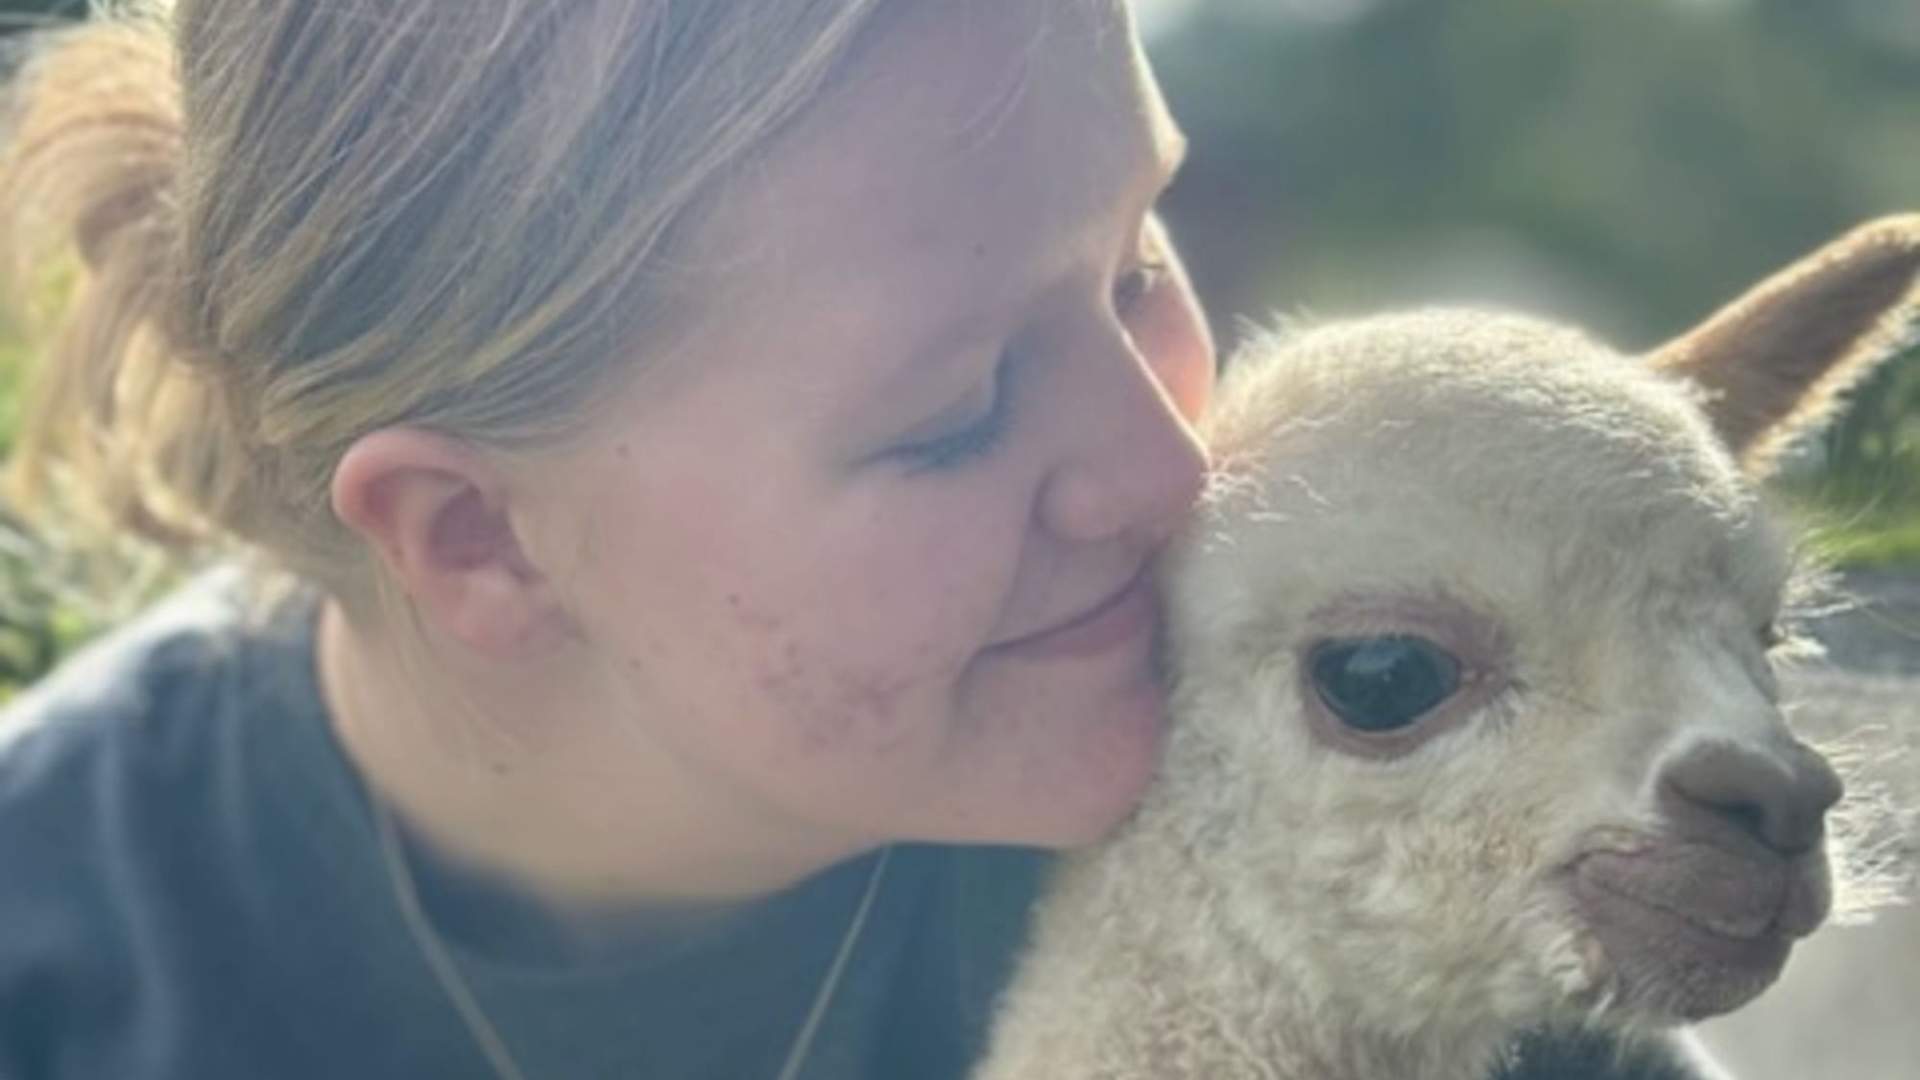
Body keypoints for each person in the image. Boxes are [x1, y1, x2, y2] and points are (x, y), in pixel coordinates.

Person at [0, 2, 1729, 1077]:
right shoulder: (57, 963)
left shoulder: (1342, 759)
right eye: (955, 413)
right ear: (477, 540)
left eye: (1137, 258)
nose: (1160, 464)